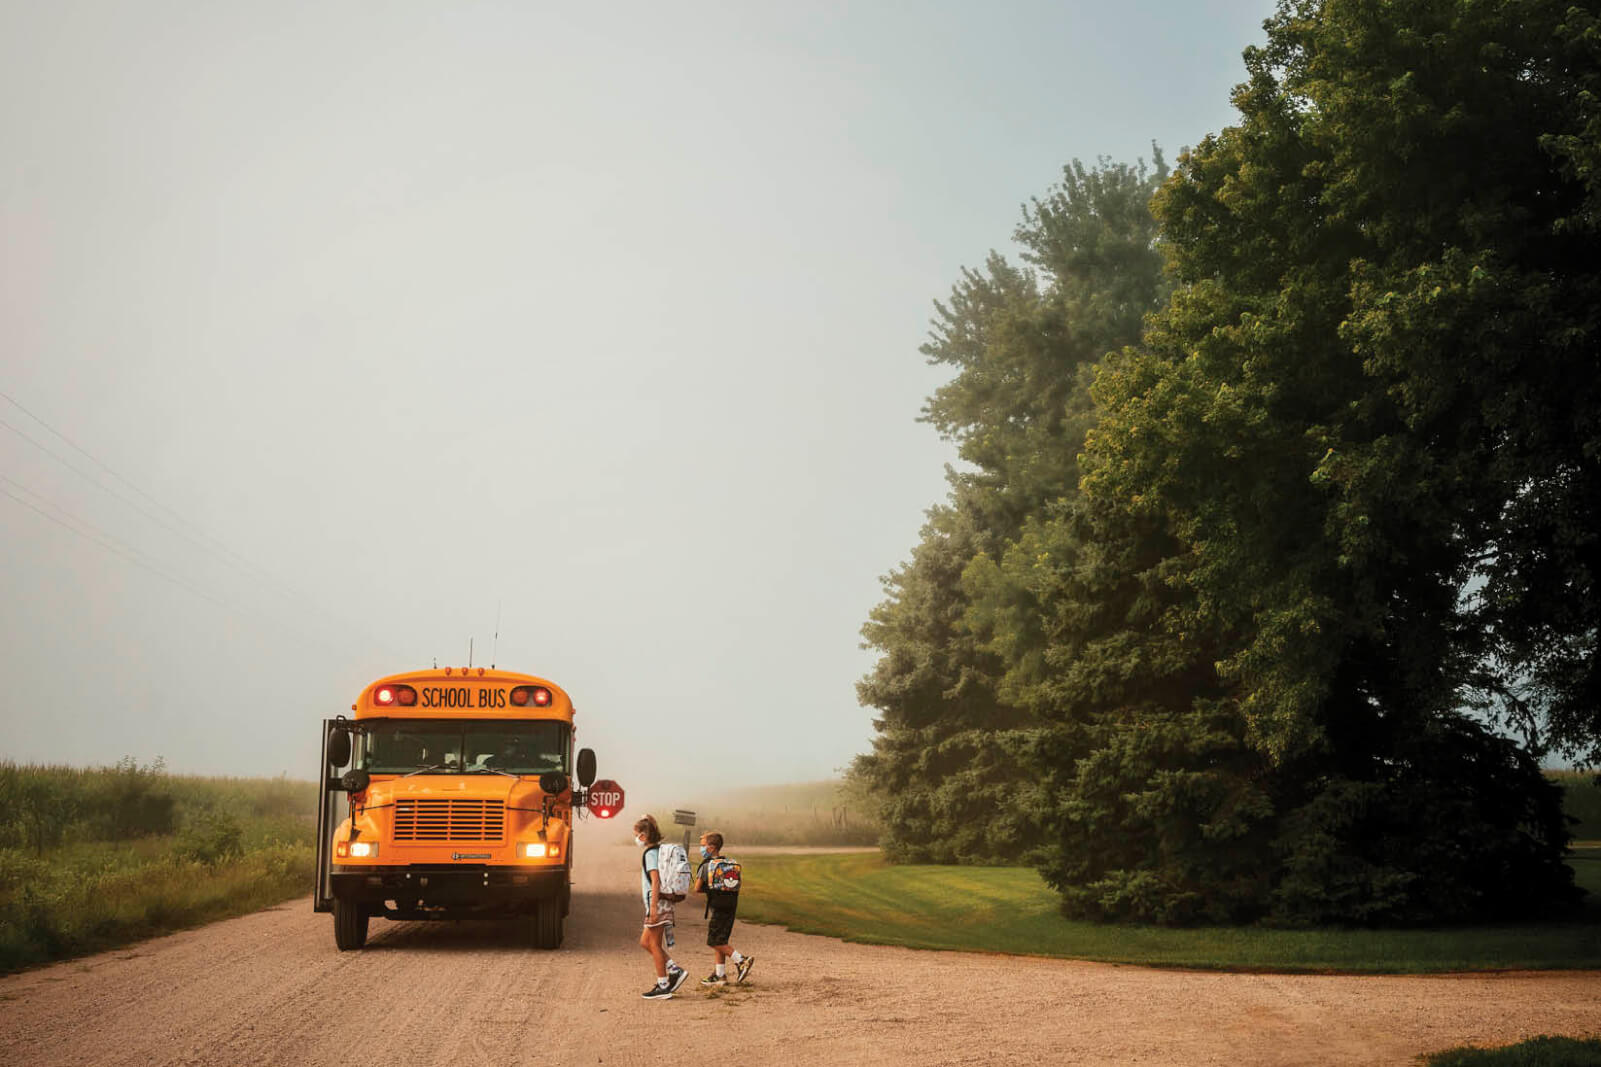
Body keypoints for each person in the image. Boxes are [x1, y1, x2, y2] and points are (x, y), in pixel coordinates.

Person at [634, 815, 687, 1000]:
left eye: (637, 835)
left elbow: (655, 881)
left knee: (654, 944)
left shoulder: (650, 854)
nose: (636, 839)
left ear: (643, 836)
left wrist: (654, 908)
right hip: (661, 903)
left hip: (657, 903)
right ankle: (674, 969)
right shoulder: (658, 850)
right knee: (645, 942)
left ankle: (663, 985)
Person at [695, 830, 754, 985]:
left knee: (714, 941)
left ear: (712, 847)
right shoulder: (728, 863)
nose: (701, 849)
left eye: (703, 845)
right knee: (721, 939)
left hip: (717, 906)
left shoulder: (706, 866)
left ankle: (741, 961)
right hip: (731, 905)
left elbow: (697, 888)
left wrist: (708, 889)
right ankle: (720, 976)